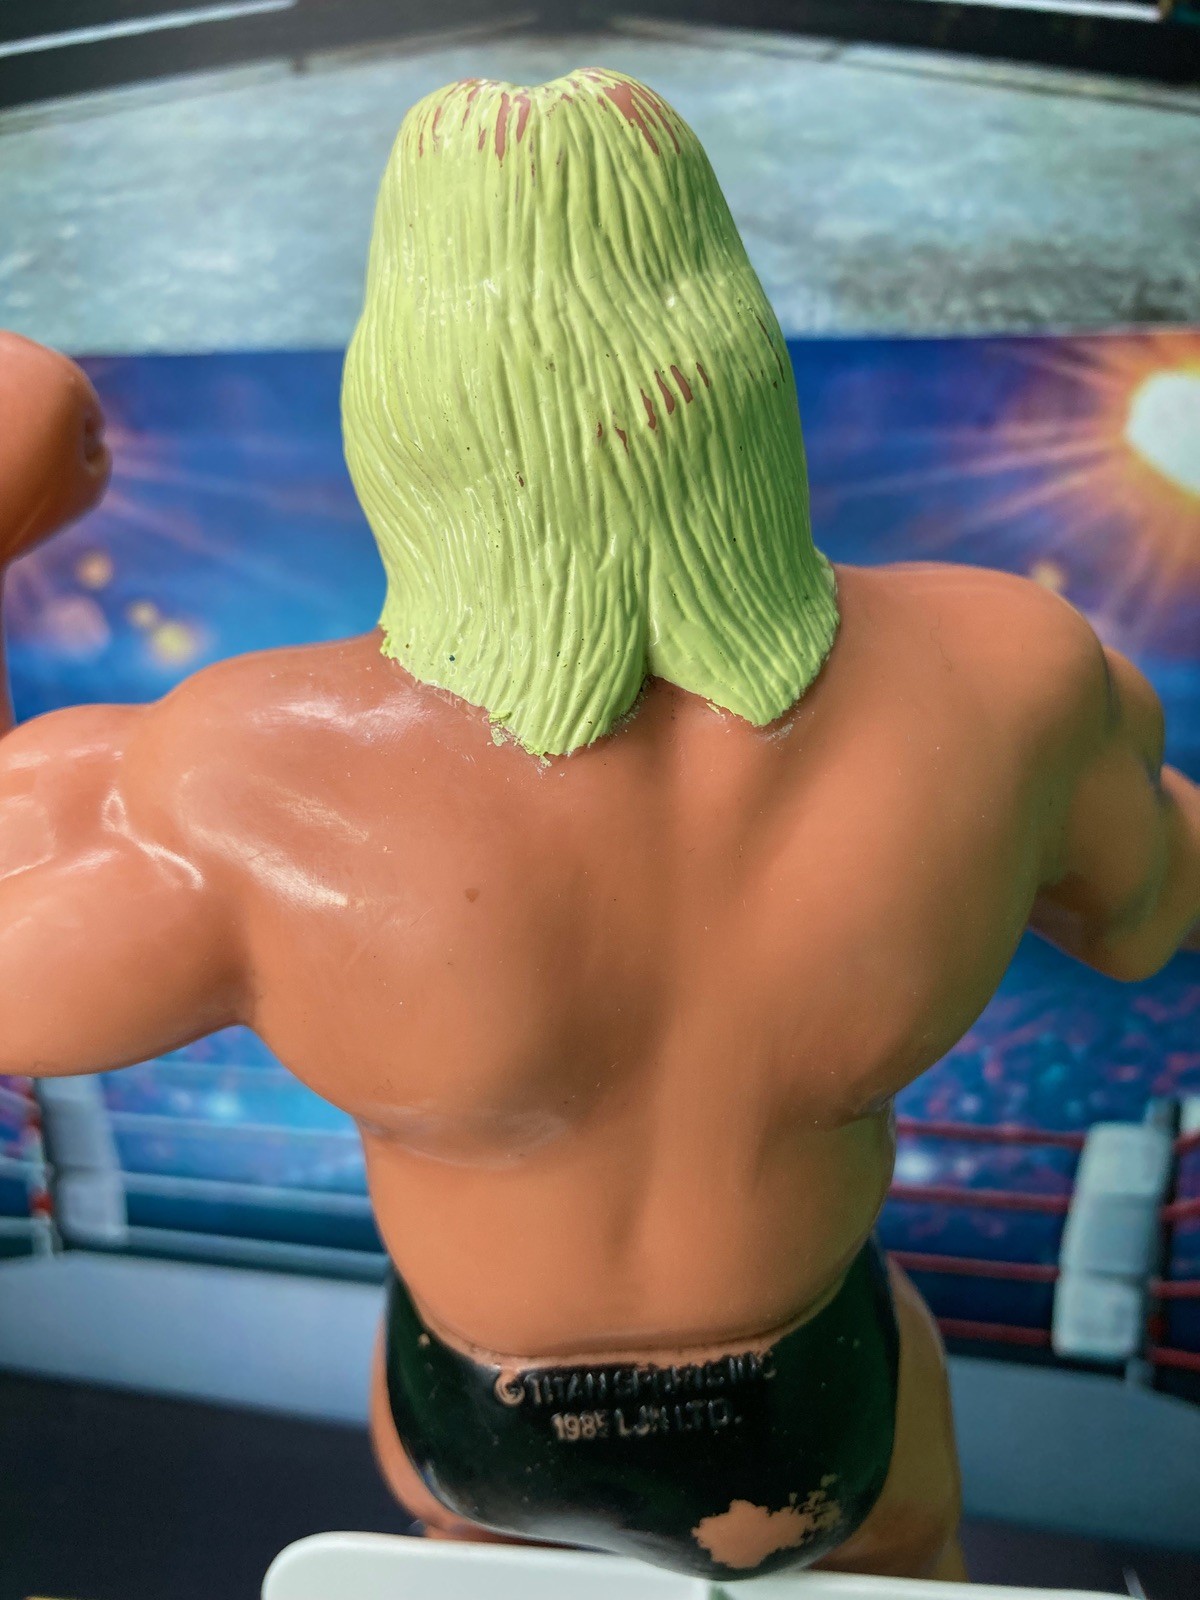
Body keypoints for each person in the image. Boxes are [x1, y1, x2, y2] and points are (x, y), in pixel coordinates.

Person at [2, 70, 1197, 1584]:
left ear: (402, 401)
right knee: (905, 1558)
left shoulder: (232, 776)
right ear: (736, 356)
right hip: (819, 1388)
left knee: (480, 1561)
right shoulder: (1011, 679)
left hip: (482, 1417)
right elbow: (1151, 912)